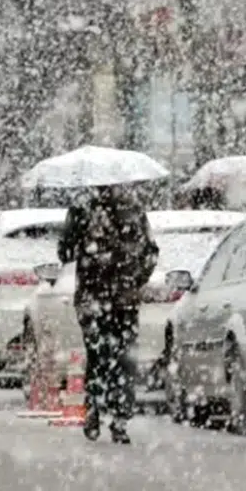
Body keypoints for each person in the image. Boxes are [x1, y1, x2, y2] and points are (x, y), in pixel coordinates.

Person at [58, 185, 160, 444]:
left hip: (96, 298)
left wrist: (81, 238)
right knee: (121, 357)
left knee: (100, 355)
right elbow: (151, 253)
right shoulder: (132, 208)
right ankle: (117, 416)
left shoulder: (84, 207)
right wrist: (133, 280)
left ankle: (98, 409)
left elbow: (65, 252)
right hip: (120, 300)